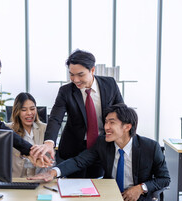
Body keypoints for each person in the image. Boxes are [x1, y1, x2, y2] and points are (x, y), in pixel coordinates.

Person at [29, 103, 170, 201]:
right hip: (110, 195)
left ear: (127, 126)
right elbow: (79, 161)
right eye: (106, 122)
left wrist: (140, 188)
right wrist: (53, 172)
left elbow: (164, 178)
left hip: (138, 200)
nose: (106, 127)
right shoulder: (102, 143)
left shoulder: (150, 147)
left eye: (111, 122)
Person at [32, 49, 123, 178]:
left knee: (97, 185)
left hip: (102, 145)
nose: (75, 79)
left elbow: (121, 112)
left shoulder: (110, 84)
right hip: (73, 149)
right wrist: (49, 142)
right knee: (73, 188)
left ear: (92, 70)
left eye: (80, 75)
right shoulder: (66, 91)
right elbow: (55, 118)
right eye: (71, 74)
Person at [6, 92, 55, 177]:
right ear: (17, 111)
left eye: (32, 109)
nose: (29, 113)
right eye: (24, 110)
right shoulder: (8, 129)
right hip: (16, 180)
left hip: (40, 179)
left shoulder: (45, 129)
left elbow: (51, 159)